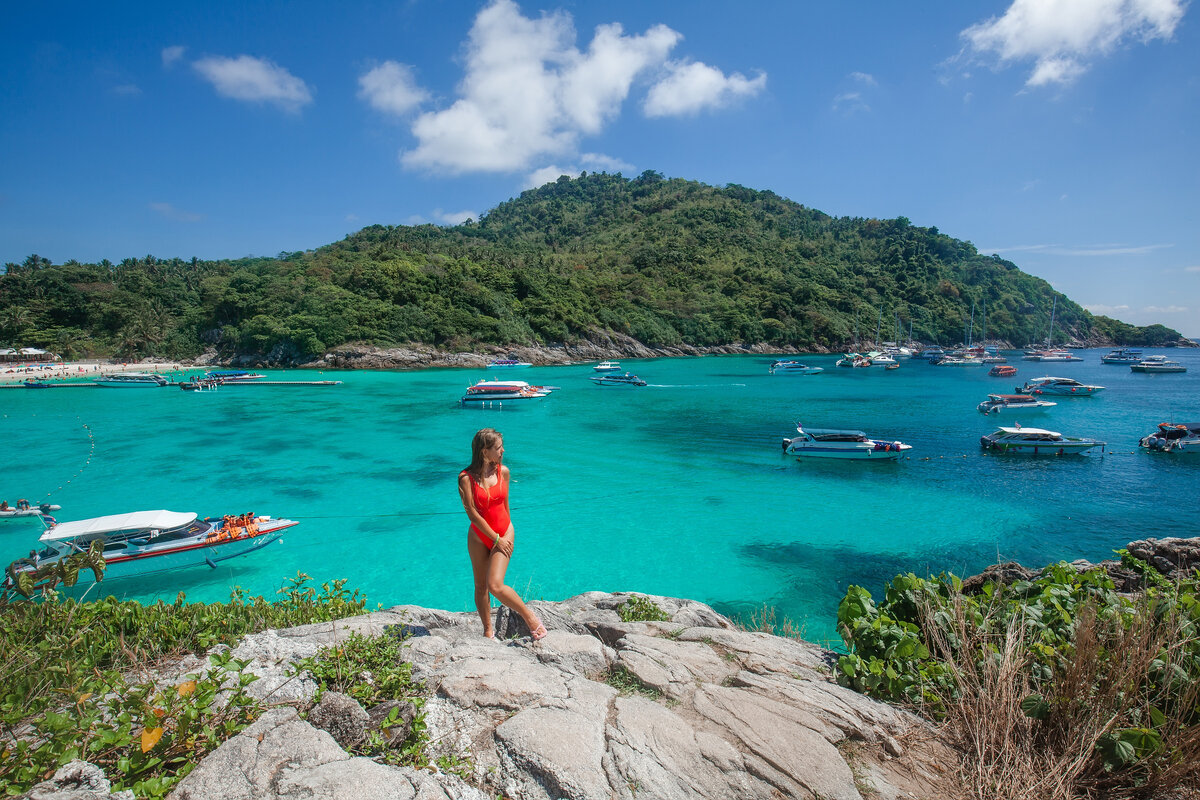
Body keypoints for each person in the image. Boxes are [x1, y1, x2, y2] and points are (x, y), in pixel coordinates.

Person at [458, 428, 546, 641]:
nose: (503, 451)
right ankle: (488, 631)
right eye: (498, 448)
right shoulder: (466, 478)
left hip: (504, 534)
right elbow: (472, 513)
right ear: (484, 451)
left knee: (495, 585)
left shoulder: (503, 472)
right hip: (479, 537)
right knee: (480, 586)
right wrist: (493, 537)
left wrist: (504, 534)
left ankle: (530, 618)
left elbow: (505, 506)